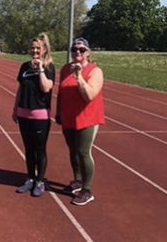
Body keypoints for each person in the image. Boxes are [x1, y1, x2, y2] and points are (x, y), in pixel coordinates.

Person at [55, 37, 105, 206]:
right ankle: (77, 180)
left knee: (83, 152)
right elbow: (60, 92)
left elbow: (90, 95)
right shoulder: (64, 69)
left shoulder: (94, 71)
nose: (77, 52)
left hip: (87, 118)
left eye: (82, 49)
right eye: (74, 49)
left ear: (87, 53)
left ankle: (87, 189)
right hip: (69, 116)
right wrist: (58, 110)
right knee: (73, 150)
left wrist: (78, 76)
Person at [12, 33, 55, 197]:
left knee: (40, 150)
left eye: (38, 48)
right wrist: (15, 109)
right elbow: (21, 88)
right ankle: (30, 178)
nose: (35, 50)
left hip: (40, 116)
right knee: (28, 150)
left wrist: (40, 69)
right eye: (32, 48)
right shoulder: (24, 67)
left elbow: (46, 88)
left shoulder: (49, 67)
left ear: (44, 50)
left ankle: (40, 181)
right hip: (24, 114)